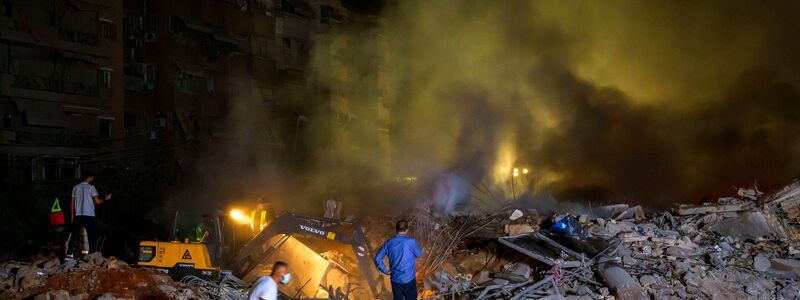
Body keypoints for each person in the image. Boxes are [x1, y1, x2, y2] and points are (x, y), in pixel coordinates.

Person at [374, 220, 423, 300]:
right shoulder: (411, 242)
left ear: (396, 230)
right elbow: (419, 254)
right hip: (409, 280)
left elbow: (377, 259)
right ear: (407, 230)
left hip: (395, 280)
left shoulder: (388, 243)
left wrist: (385, 270)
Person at [66, 173, 111, 259]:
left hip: (78, 215)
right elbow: (97, 202)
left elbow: (72, 202)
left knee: (74, 235)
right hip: (89, 215)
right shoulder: (91, 187)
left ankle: (69, 254)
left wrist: (72, 215)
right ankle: (92, 255)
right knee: (91, 236)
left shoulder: (75, 187)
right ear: (90, 177)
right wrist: (105, 198)